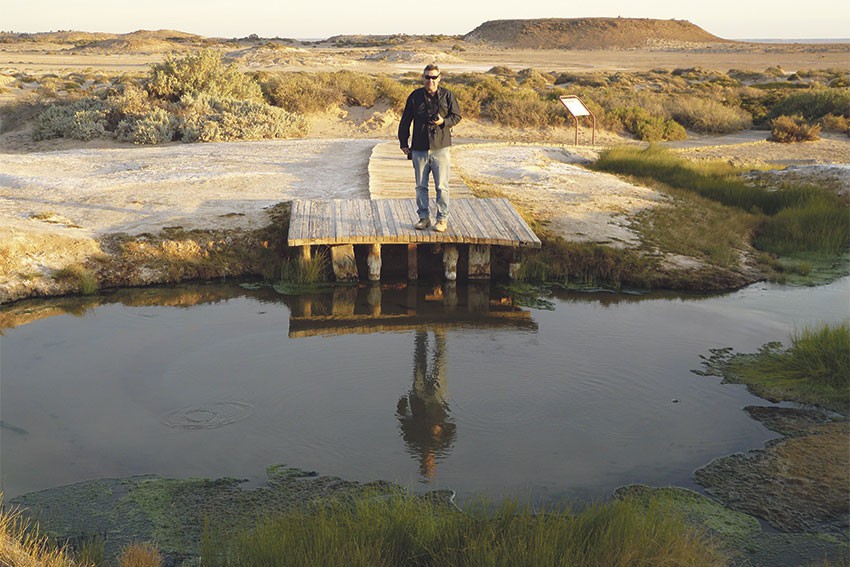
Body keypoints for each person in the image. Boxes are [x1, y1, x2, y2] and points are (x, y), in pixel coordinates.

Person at [398, 64, 462, 232]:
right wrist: (403, 142)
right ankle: (424, 218)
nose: (430, 81)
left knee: (442, 186)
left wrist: (443, 122)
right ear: (423, 78)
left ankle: (442, 219)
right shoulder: (415, 96)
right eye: (427, 77)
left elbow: (457, 116)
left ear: (439, 78)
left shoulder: (447, 95)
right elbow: (405, 120)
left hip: (440, 147)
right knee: (420, 186)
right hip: (419, 147)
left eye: (434, 77)